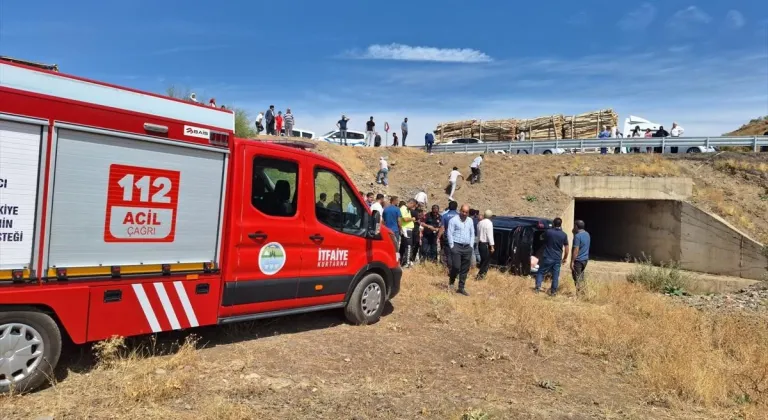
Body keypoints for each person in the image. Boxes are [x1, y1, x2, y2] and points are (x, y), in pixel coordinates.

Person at [534, 217, 569, 296]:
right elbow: (567, 248)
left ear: (553, 223)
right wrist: (565, 258)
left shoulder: (548, 232)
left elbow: (541, 237)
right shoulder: (564, 235)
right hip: (557, 258)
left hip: (547, 256)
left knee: (541, 272)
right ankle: (553, 292)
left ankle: (537, 288)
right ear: (561, 224)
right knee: (555, 275)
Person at [446, 204, 475, 296]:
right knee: (456, 266)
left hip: (467, 247)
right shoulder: (453, 220)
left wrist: (471, 245)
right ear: (460, 210)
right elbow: (449, 233)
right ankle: (451, 281)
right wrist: (452, 246)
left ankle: (461, 287)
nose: (464, 213)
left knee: (465, 269)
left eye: (466, 212)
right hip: (456, 246)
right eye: (463, 211)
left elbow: (472, 233)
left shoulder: (470, 221)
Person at [571, 219, 591, 293]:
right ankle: (583, 292)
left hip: (578, 260)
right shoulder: (587, 234)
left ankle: (580, 294)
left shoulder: (577, 236)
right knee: (581, 277)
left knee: (576, 277)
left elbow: (576, 250)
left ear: (576, 226)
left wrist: (572, 261)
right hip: (585, 259)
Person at [438, 201, 459, 267]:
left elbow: (442, 227)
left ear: (449, 207)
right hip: (457, 237)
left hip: (447, 237)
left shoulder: (445, 216)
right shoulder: (459, 216)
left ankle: (449, 268)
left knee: (448, 253)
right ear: (456, 207)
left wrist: (438, 237)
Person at [476, 210, 495, 280]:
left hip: (480, 244)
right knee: (486, 261)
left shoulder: (479, 223)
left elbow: (478, 234)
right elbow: (490, 235)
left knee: (483, 260)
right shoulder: (489, 223)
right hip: (485, 244)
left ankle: (481, 276)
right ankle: (480, 275)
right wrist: (492, 246)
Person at [399, 199, 417, 267]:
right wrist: (412, 219)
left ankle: (402, 261)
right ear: (411, 203)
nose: (413, 207)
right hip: (406, 229)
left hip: (407, 229)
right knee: (408, 246)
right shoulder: (404, 208)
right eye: (413, 205)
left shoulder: (407, 209)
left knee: (404, 246)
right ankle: (407, 262)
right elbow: (405, 219)